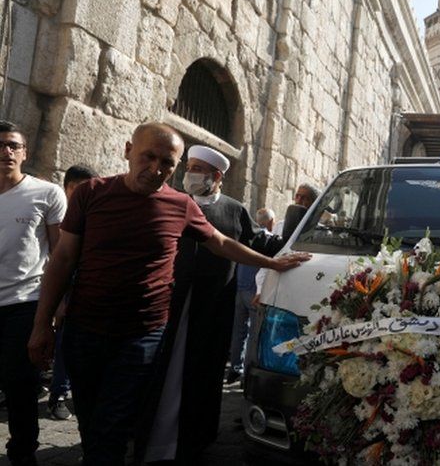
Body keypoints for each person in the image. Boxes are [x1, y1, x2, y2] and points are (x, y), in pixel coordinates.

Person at [26, 123, 309, 466]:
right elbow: (63, 259)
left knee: (113, 426)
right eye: (148, 157)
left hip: (143, 336)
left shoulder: (181, 206)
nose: (156, 169)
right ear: (128, 150)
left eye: (167, 163)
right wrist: (43, 323)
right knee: (91, 418)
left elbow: (221, 243)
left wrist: (272, 263)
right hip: (86, 328)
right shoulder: (91, 194)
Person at [143, 145, 289, 462]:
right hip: (170, 303)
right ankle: (152, 436)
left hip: (213, 307)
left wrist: (296, 244)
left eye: (197, 168)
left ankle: (196, 437)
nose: (189, 173)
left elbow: (263, 242)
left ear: (216, 176)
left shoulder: (234, 210)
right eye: (189, 166)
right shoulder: (173, 201)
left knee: (204, 371)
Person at [0, 120, 67, 466]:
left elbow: (60, 254)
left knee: (20, 387)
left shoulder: (47, 193)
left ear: (24, 152)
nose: (6, 151)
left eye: (13, 145)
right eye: (0, 145)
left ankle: (23, 453)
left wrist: (58, 309)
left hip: (24, 305)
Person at [47, 165, 99, 422]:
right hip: (61, 287)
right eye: (76, 189)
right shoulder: (58, 217)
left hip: (88, 288)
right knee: (63, 345)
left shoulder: (98, 217)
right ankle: (58, 395)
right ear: (66, 188)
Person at [226, 206, 278, 385]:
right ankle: (247, 374)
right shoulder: (268, 241)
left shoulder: (247, 238)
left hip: (240, 290)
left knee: (238, 331)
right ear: (271, 222)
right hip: (255, 293)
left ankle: (234, 368)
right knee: (254, 335)